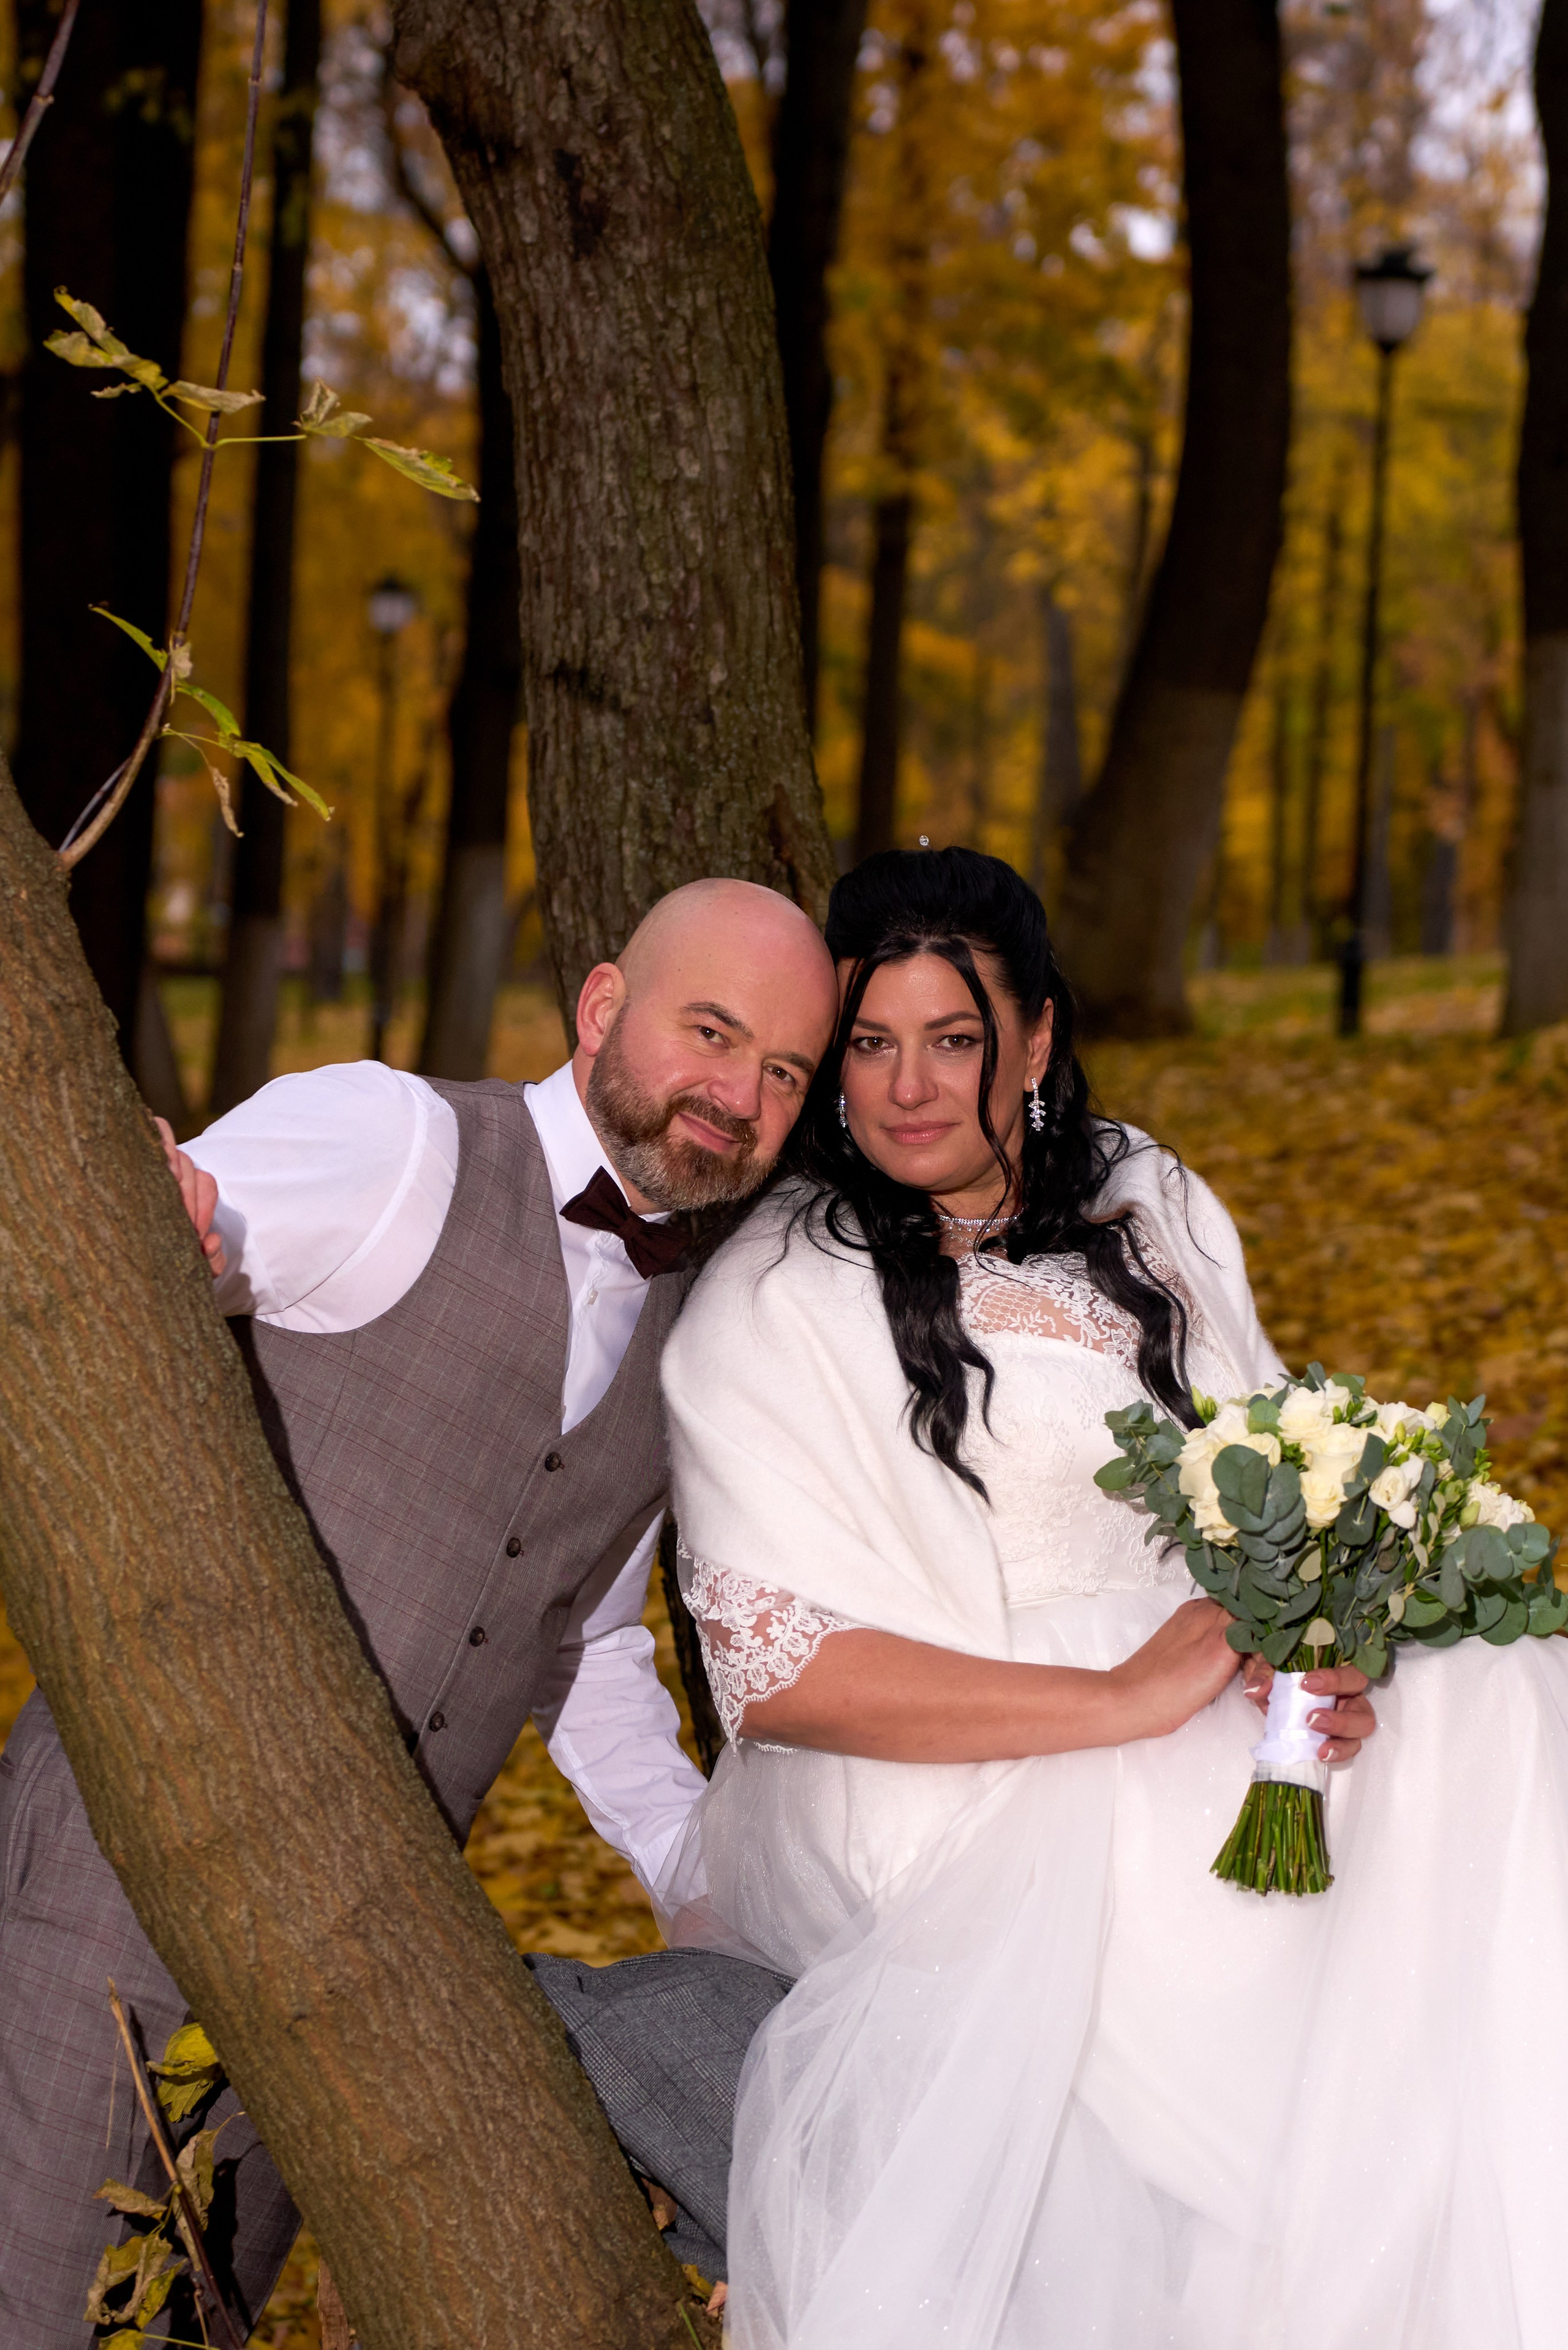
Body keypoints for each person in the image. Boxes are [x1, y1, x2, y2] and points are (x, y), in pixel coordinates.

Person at [654, 845, 1568, 2349]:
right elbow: (780, 1673)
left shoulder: (1148, 1198)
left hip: (1204, 1685)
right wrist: (1119, 1698)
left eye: (952, 1039)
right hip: (952, 1769)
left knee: (1496, 1707)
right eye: (868, 1043)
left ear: (1033, 1040)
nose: (905, 1088)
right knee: (1248, 1912)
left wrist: (1303, 1654)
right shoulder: (776, 1294)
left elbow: (1268, 1462)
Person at [0, 877, 837, 2348]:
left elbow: (580, 1634)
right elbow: (172, 1242)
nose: (738, 1095)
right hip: (117, 1884)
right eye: (710, 1032)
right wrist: (172, 1227)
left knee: (190, 2323)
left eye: (782, 1070)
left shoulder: (687, 1327)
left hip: (348, 1965)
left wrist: (693, 1868)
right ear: (600, 1006)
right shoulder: (392, 1139)